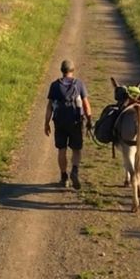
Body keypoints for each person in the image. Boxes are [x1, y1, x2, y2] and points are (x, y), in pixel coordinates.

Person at [45, 59, 92, 189]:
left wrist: (46, 123)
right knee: (76, 149)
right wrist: (89, 120)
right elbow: (86, 105)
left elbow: (50, 106)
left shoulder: (54, 86)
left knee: (62, 149)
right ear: (72, 70)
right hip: (75, 122)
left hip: (60, 122)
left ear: (62, 71)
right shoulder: (79, 84)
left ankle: (64, 177)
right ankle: (75, 170)